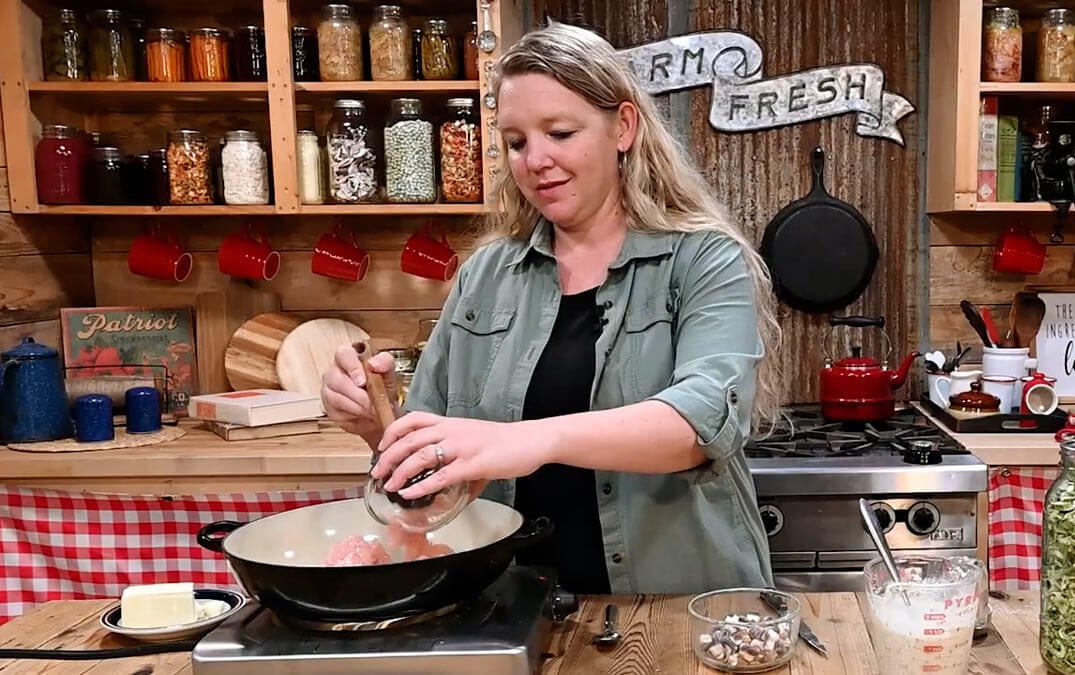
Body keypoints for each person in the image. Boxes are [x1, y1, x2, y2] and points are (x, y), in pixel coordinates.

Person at [320, 20, 784, 595]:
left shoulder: (702, 259)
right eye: (516, 142)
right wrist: (377, 422)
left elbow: (700, 421)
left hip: (675, 605)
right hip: (511, 607)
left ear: (623, 126)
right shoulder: (486, 276)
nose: (535, 159)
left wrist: (526, 440)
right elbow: (437, 469)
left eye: (560, 132)